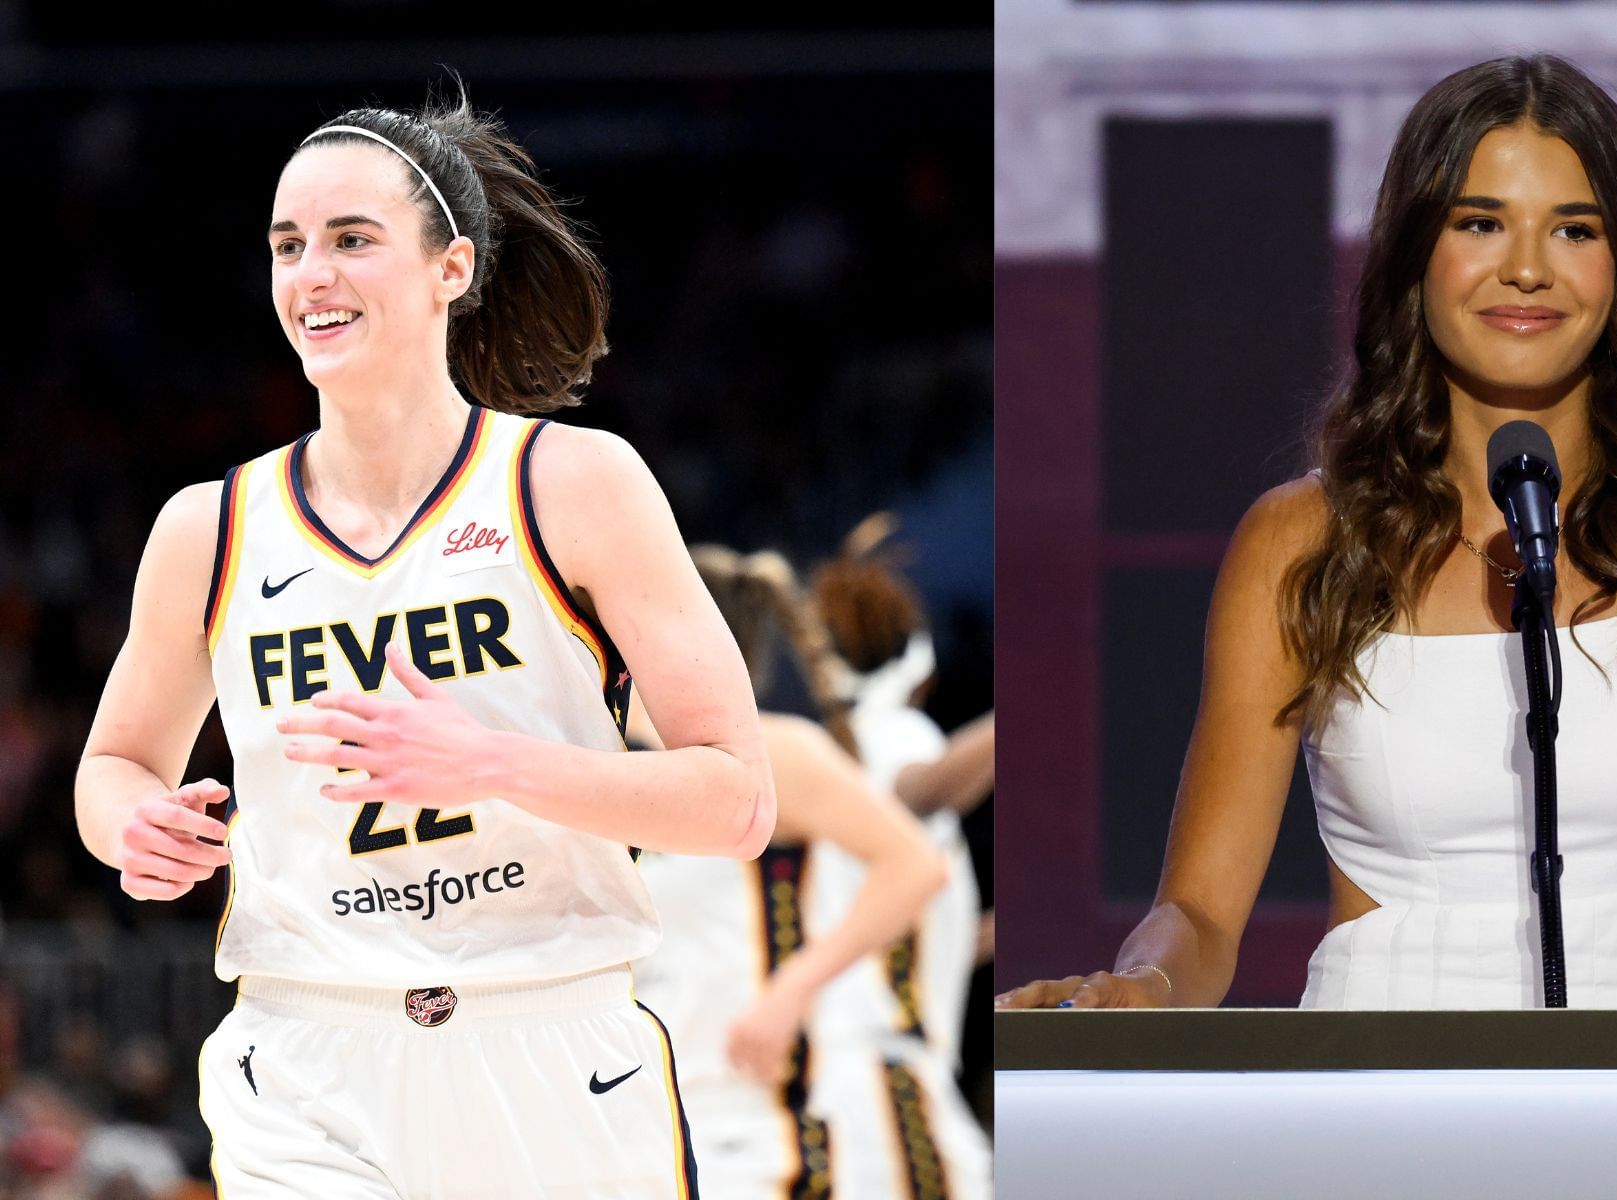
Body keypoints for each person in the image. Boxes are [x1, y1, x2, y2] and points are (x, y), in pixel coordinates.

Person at [997, 52, 1617, 1012]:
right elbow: (1201, 912)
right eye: (1480, 223)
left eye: (1574, 229)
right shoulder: (1301, 541)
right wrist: (1138, 989)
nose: (1527, 269)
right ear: (1413, 255)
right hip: (1381, 1098)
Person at [72, 87, 774, 1198]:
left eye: (353, 239)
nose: (313, 274)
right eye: (288, 245)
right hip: (306, 1054)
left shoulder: (575, 483)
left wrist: (490, 762)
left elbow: (737, 801)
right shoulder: (206, 528)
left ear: (451, 268)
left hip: (550, 1037)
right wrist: (133, 829)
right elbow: (113, 768)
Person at [631, 546, 989, 1200]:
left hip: (777, 1111)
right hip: (658, 1117)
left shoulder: (781, 753)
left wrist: (792, 991)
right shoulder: (601, 767)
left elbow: (916, 863)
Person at [808, 514, 993, 1077]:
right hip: (882, 1068)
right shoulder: (892, 734)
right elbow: (925, 787)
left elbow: (927, 940)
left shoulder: (835, 746)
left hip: (855, 1051)